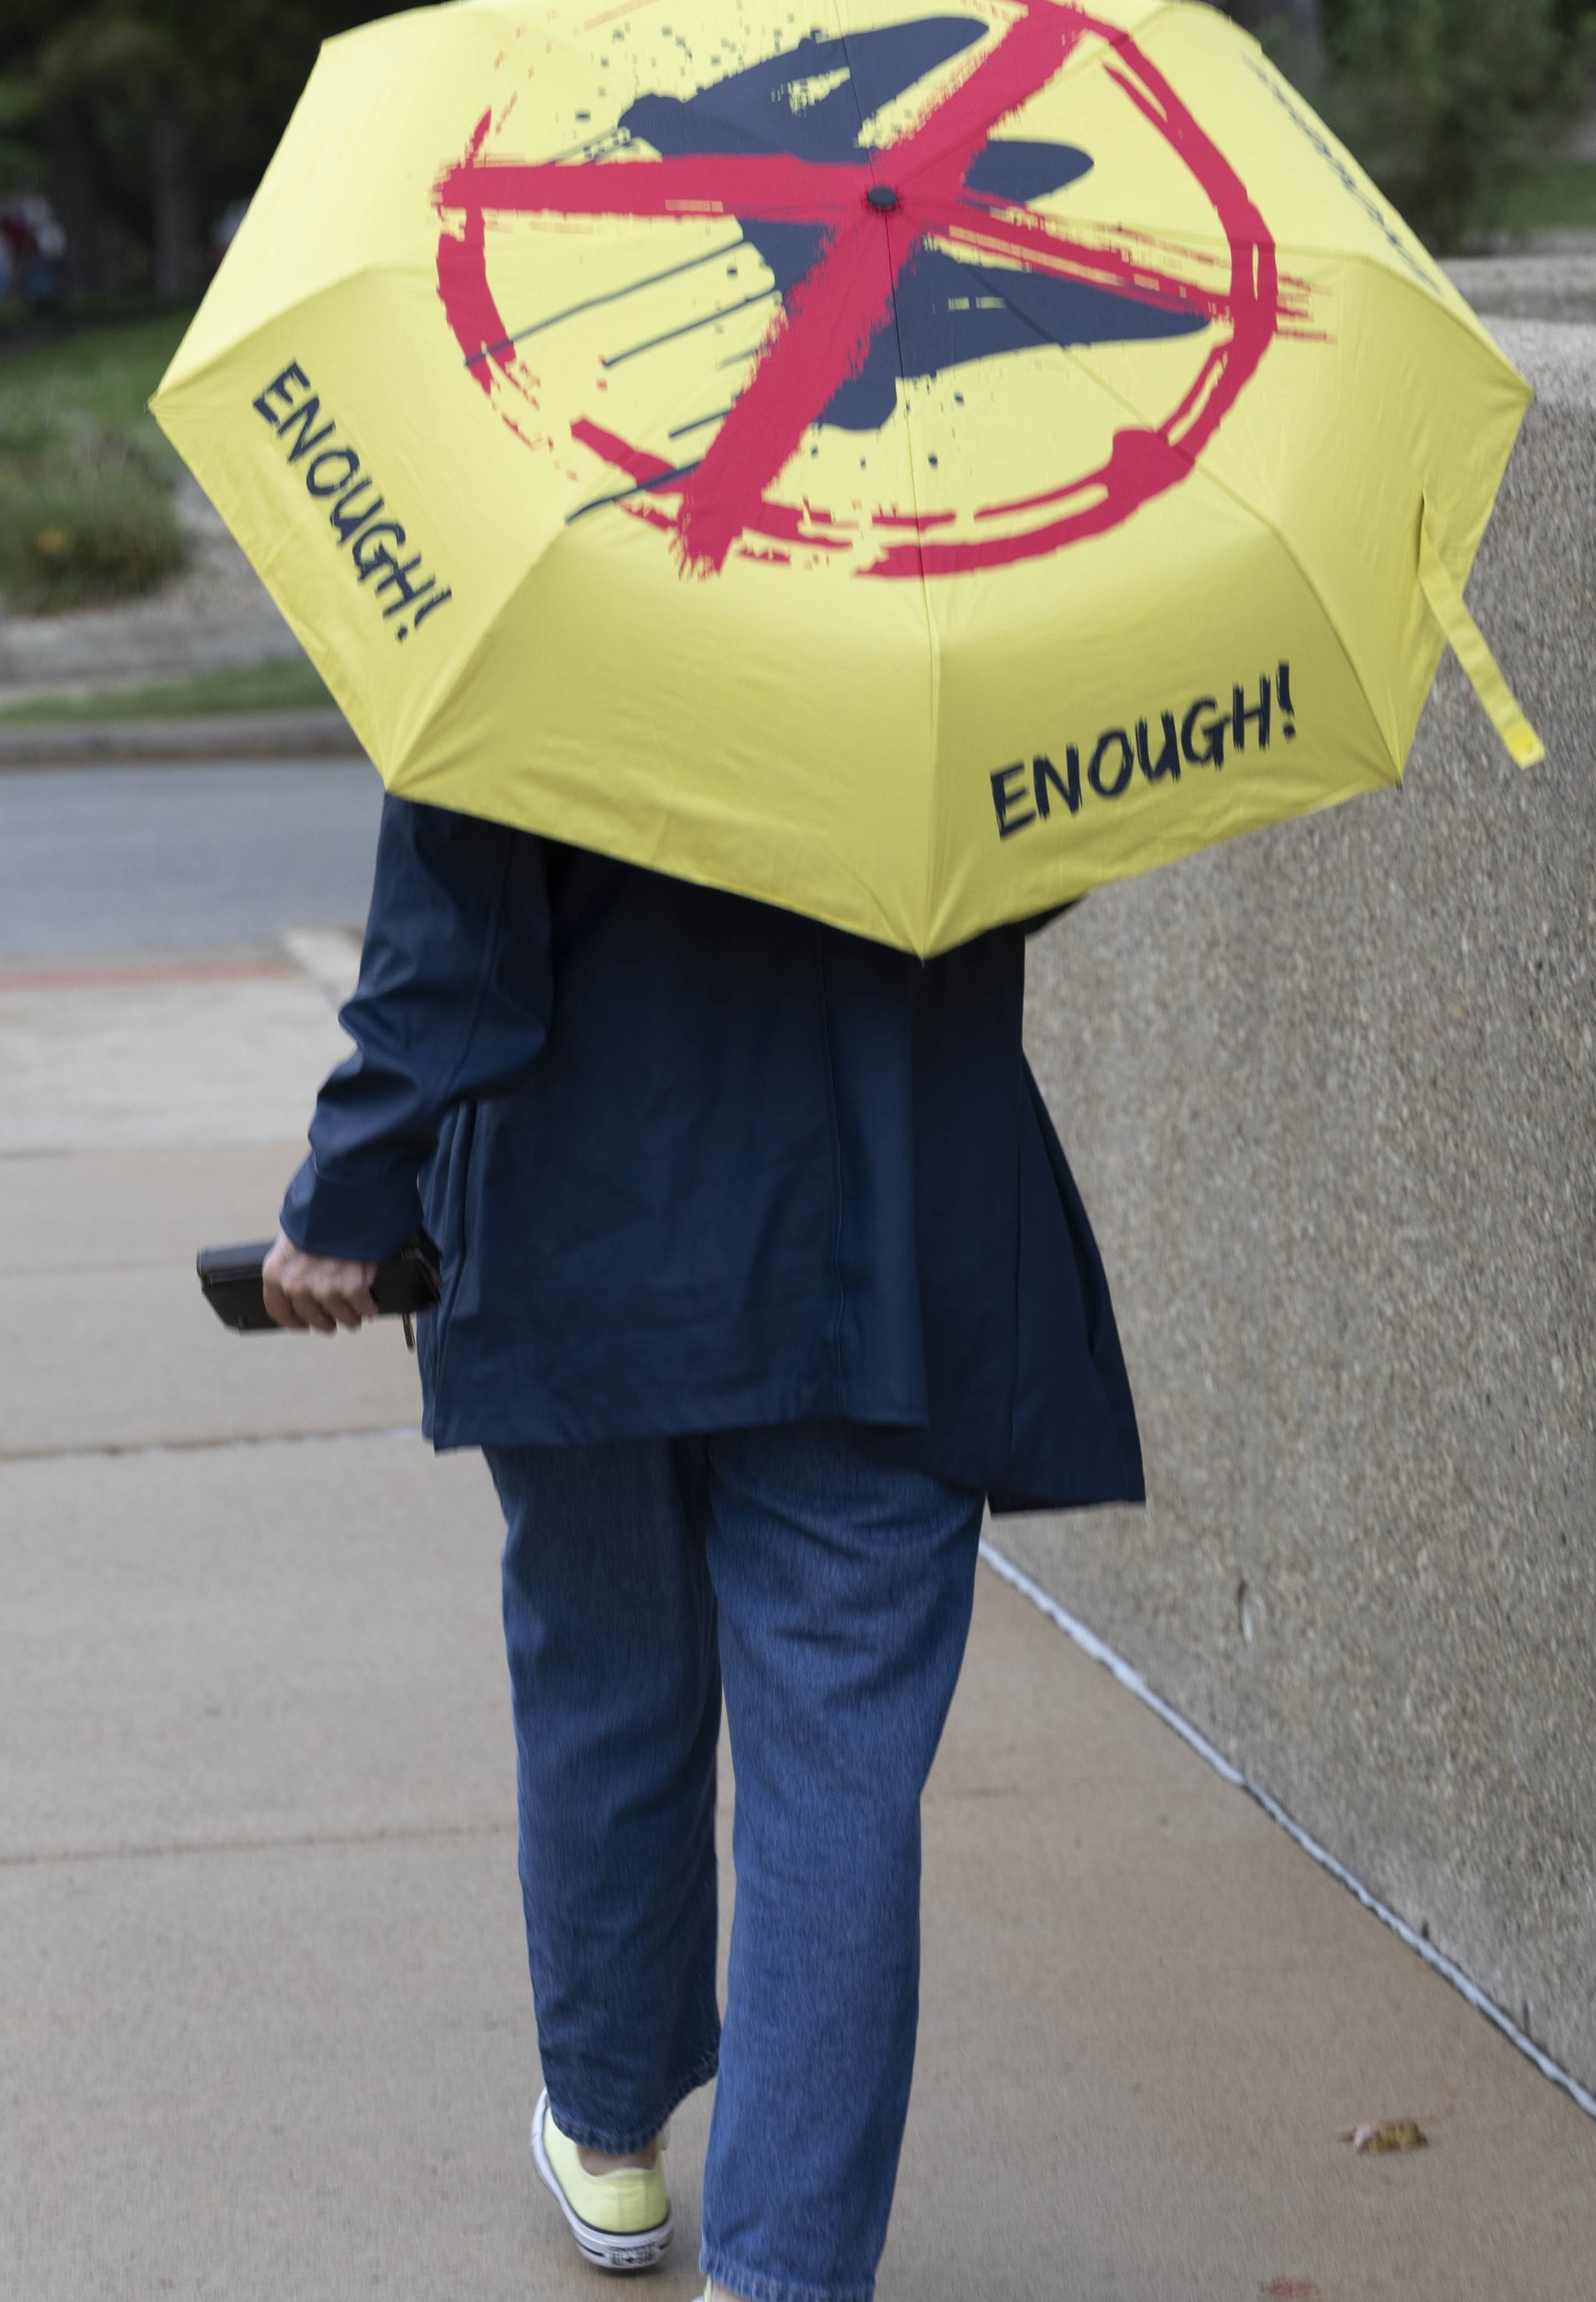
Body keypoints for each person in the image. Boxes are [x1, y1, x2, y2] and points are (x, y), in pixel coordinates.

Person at [264, 799, 1143, 2302]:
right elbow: (1024, 863)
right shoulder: (951, 580)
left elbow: (460, 944)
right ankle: (786, 2271)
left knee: (607, 1685)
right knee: (840, 1775)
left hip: (582, 1230)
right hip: (880, 1233)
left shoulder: (536, 583)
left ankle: (609, 2133)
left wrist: (349, 1195)